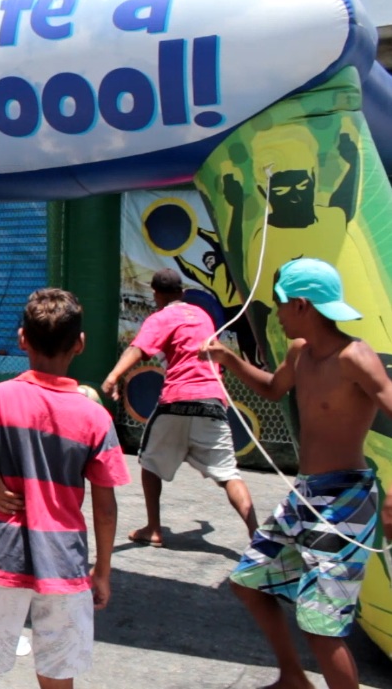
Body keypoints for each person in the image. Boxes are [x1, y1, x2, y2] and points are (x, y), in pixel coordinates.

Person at [204, 258, 392, 689]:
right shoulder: (299, 352)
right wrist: (229, 360)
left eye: (280, 305)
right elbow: (273, 389)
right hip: (305, 495)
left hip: (346, 500)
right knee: (249, 582)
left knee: (320, 625)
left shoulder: (355, 357)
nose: (277, 314)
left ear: (303, 305)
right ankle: (293, 676)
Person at [0, 288, 128, 689]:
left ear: (22, 339)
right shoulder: (95, 417)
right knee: (57, 672)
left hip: (6, 557)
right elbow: (105, 508)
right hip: (66, 564)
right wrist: (102, 571)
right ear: (80, 344)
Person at [101, 268, 257, 547]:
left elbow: (138, 349)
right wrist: (203, 527)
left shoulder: (161, 317)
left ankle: (154, 528)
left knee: (149, 463)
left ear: (156, 294)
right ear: (183, 293)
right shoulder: (203, 316)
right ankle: (256, 534)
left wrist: (113, 377)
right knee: (229, 475)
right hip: (212, 402)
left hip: (177, 401)